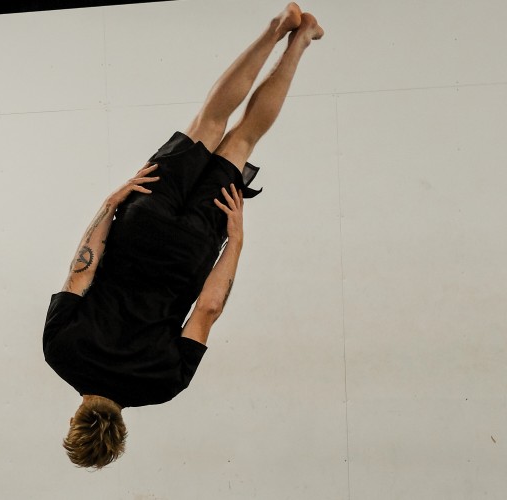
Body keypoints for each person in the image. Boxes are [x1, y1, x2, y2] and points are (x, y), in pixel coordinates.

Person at [42, 2, 324, 469]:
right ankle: (279, 27)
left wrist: (234, 240)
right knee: (209, 123)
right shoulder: (61, 352)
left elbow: (208, 308)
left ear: (121, 433)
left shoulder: (161, 385)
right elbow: (82, 271)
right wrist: (110, 206)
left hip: (189, 251)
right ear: (75, 419)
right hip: (140, 228)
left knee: (243, 141)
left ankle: (302, 38)